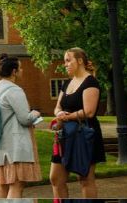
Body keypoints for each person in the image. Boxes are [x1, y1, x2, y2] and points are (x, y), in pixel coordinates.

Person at [50, 47, 106, 199]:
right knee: (56, 178)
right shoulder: (67, 83)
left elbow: (89, 112)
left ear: (80, 61)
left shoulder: (90, 82)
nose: (65, 64)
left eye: (68, 60)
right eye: (64, 61)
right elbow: (57, 107)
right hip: (65, 135)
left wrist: (68, 117)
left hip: (85, 133)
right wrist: (59, 113)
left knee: (85, 179)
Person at [0, 54, 42, 199]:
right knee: (16, 184)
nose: (22, 70)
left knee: (1, 184)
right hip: (14, 147)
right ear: (14, 71)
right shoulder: (15, 90)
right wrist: (35, 113)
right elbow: (25, 119)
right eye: (20, 68)